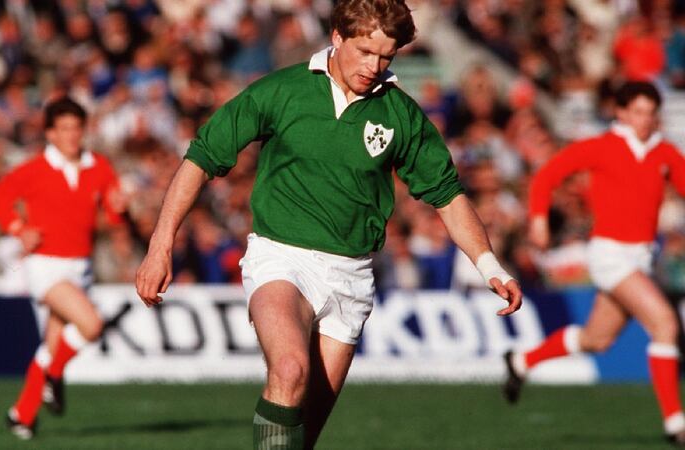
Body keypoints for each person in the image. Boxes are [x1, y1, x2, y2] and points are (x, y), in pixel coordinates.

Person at [135, 1, 523, 448]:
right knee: (289, 370)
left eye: (386, 57)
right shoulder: (283, 90)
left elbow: (448, 197)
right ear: (337, 37)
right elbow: (200, 158)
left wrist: (490, 265)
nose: (374, 66)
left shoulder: (400, 114)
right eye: (364, 52)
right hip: (280, 257)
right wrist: (160, 245)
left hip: (351, 276)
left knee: (302, 433)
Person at [503, 81, 685, 445]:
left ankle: (521, 361)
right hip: (610, 255)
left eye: (650, 113)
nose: (644, 120)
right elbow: (548, 174)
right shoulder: (603, 147)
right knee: (665, 324)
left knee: (596, 340)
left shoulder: (664, 152)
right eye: (637, 112)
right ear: (620, 112)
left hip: (640, 258)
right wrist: (538, 219)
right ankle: (675, 424)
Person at [0, 97, 125, 439]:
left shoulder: (100, 167)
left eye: (76, 128)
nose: (72, 136)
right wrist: (20, 229)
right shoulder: (35, 168)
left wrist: (120, 210)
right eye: (64, 128)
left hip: (82, 265)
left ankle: (21, 415)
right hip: (46, 265)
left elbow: (112, 214)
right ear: (50, 133)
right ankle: (53, 377)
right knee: (91, 325)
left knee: (51, 347)